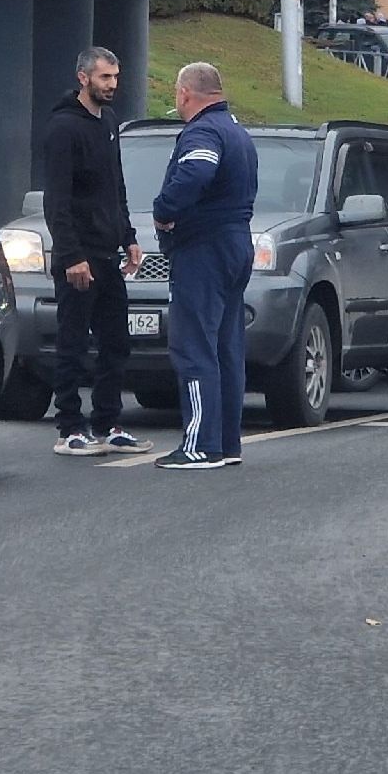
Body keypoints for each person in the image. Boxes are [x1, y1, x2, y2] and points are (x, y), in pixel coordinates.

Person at [40, 46, 153, 457]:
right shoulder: (63, 129)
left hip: (108, 252)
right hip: (79, 257)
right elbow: (58, 201)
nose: (113, 86)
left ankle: (108, 422)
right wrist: (71, 256)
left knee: (115, 342)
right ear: (83, 78)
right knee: (72, 342)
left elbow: (114, 187)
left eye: (116, 77)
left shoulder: (108, 122)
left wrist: (129, 237)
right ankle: (69, 426)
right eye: (105, 78)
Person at [151, 62, 259, 470]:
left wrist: (165, 210)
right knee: (226, 349)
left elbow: (196, 171)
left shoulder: (203, 131)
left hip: (203, 249)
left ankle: (199, 445)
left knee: (193, 346)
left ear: (185, 93)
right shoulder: (237, 131)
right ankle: (227, 442)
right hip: (235, 243)